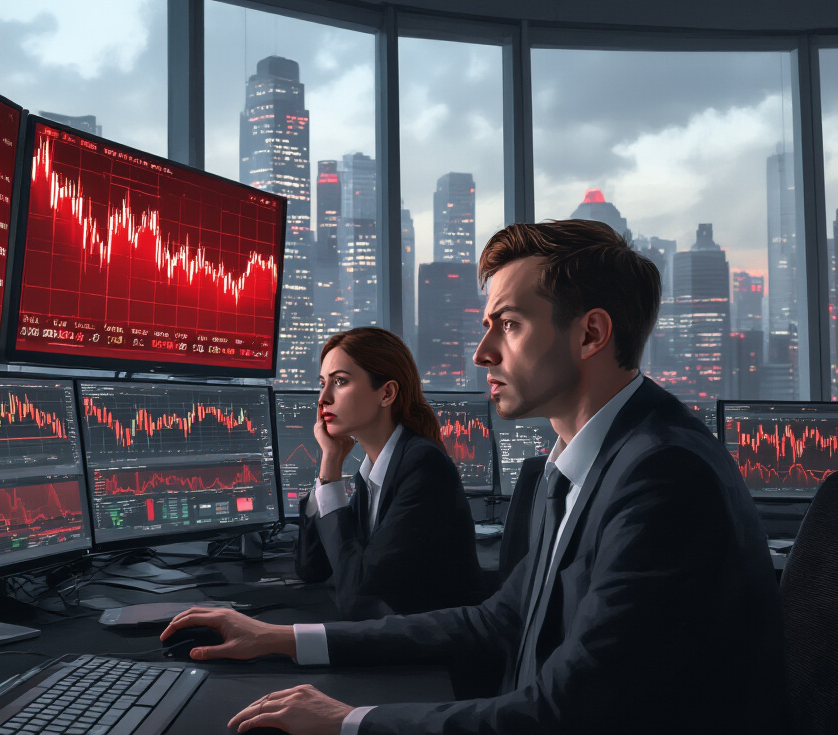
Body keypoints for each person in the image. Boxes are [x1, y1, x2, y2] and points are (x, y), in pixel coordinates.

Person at [162, 220, 785, 735]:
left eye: (508, 325)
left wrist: (350, 722)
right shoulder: (577, 464)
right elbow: (497, 620)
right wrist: (281, 637)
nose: (483, 353)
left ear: (591, 333)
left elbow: (566, 712)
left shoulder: (663, 475)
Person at [294, 327, 484, 620]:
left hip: (432, 653)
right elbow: (312, 568)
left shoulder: (423, 465)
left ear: (387, 393)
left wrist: (331, 482)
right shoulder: (371, 474)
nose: (323, 398)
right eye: (322, 384)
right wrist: (329, 464)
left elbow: (358, 599)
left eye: (340, 382)